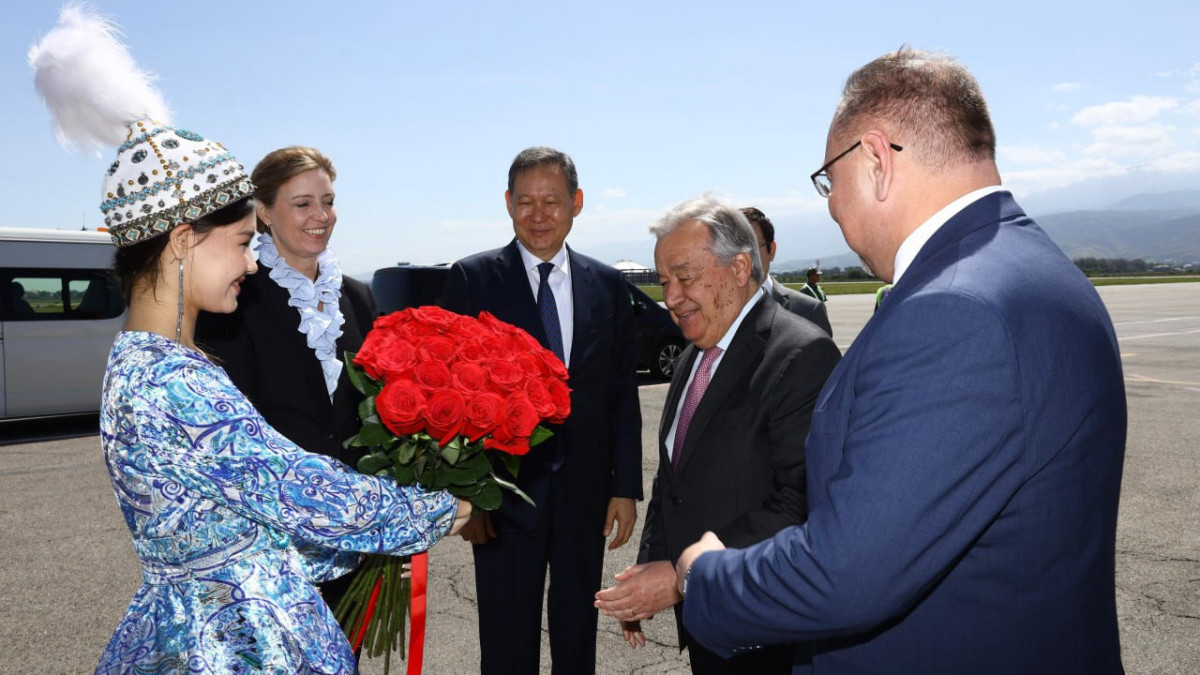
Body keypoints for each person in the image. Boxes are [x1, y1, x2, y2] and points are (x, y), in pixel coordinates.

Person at [30, 7, 469, 673]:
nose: (253, 262)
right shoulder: (172, 382)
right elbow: (298, 488)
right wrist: (440, 506)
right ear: (183, 243)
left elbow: (246, 522)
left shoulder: (150, 361)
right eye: (240, 242)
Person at [675, 47, 1127, 674]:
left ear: (877, 160)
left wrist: (704, 577)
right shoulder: (1042, 272)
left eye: (830, 182)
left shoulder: (955, 309)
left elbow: (847, 573)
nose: (832, 208)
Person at [594, 196, 840, 674]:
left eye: (685, 278)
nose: (671, 297)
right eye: (665, 281)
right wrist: (651, 570)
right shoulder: (693, 355)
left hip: (766, 629)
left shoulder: (802, 355)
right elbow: (674, 480)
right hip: (707, 623)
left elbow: (800, 502)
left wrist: (680, 577)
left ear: (740, 266)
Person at [441, 146, 643, 674]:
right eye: (525, 201)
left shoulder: (608, 284)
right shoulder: (472, 279)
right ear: (507, 204)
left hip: (586, 493)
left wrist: (624, 486)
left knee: (578, 634)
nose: (538, 214)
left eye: (552, 201)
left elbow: (620, 391)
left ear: (576, 203)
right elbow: (455, 398)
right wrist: (470, 495)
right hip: (503, 498)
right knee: (507, 639)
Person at [194, 146, 374, 615]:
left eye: (328, 201)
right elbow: (231, 434)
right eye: (302, 204)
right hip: (271, 542)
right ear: (264, 214)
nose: (321, 215)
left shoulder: (359, 297)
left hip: (352, 537)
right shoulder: (237, 299)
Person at [740, 206, 832, 335]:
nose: (741, 257)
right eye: (732, 249)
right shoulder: (709, 312)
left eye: (752, 248)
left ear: (771, 250)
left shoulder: (808, 312)